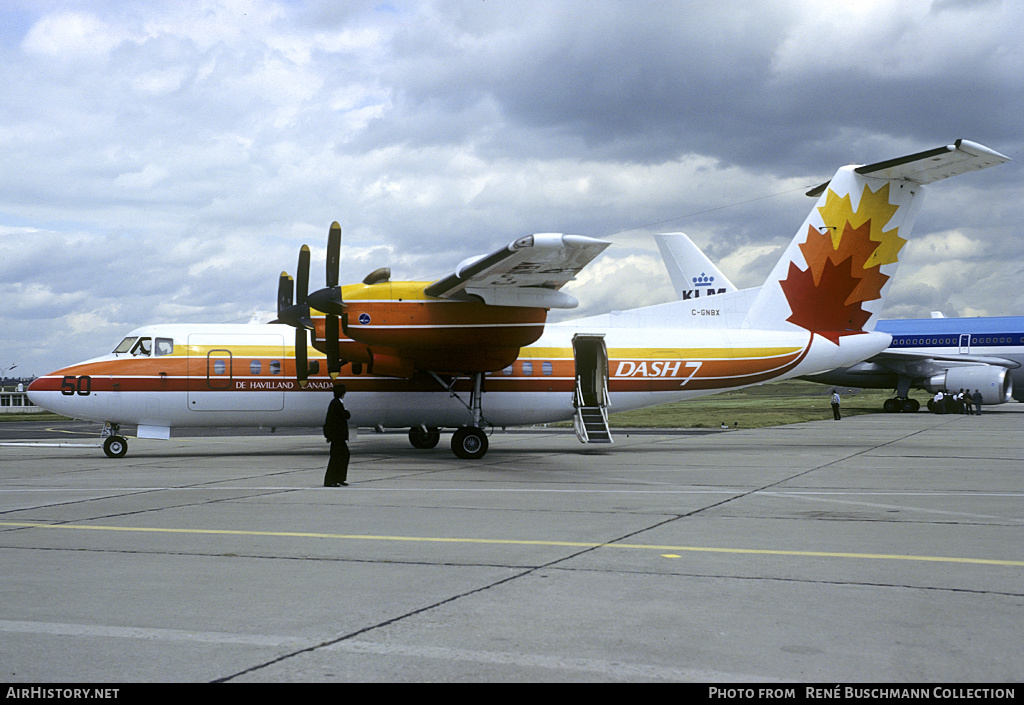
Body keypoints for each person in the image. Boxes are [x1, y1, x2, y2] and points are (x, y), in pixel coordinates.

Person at [323, 384, 351, 487]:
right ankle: (331, 480)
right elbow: (345, 416)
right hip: (337, 436)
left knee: (342, 455)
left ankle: (339, 478)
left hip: (337, 436)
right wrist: (329, 435)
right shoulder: (336, 404)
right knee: (337, 457)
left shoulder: (336, 403)